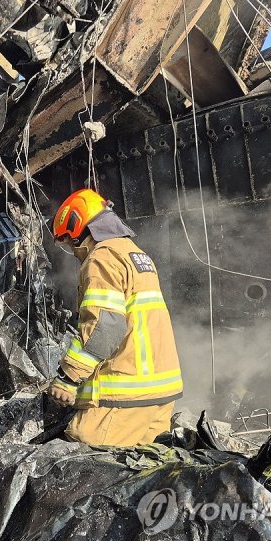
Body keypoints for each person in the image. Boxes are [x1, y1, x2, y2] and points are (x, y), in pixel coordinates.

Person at [48, 188, 182, 447]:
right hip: (159, 394)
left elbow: (105, 327)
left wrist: (68, 378)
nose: (70, 248)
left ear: (77, 228)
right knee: (139, 473)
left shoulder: (102, 258)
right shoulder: (134, 253)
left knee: (84, 458)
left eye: (67, 240)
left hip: (125, 396)